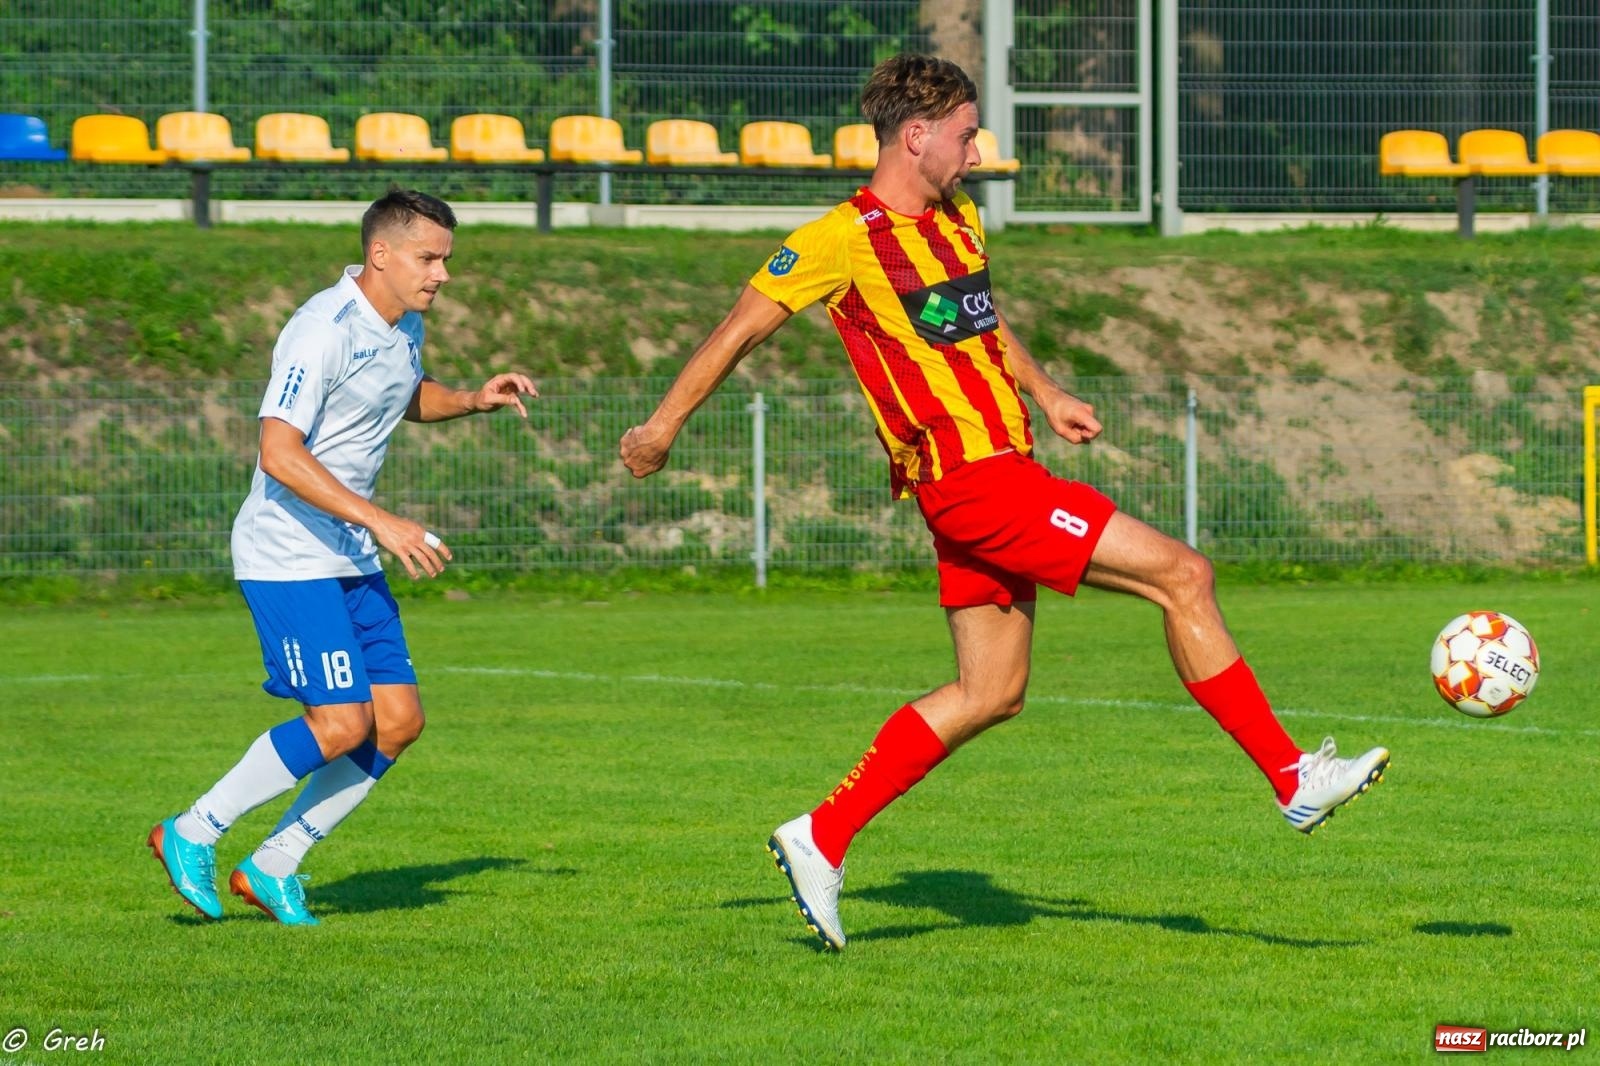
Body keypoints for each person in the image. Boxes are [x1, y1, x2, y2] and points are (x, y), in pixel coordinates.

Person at [619, 55, 1390, 951]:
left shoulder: (960, 220)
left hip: (999, 467)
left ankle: (820, 836)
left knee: (991, 691)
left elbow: (980, 323)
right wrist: (661, 427)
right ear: (916, 136)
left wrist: (1048, 390)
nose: (975, 150)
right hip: (975, 481)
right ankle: (1291, 776)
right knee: (1183, 575)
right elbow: (737, 331)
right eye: (963, 134)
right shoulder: (839, 238)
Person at [148, 188, 538, 925]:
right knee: (341, 724)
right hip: (286, 551)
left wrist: (470, 400)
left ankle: (273, 865)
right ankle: (191, 830)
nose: (442, 275)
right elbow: (278, 450)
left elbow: (400, 394)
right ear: (380, 254)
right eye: (430, 258)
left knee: (396, 721)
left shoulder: (405, 324)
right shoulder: (319, 329)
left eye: (447, 259)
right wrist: (382, 520)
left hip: (348, 553)